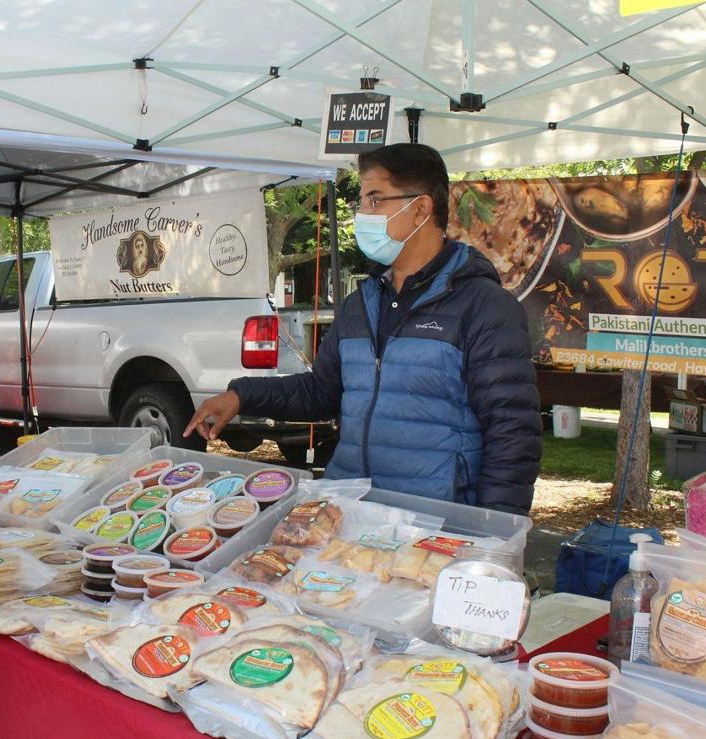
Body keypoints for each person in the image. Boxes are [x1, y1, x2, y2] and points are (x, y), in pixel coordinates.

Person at [186, 143, 542, 516]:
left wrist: (493, 535)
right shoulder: (362, 303)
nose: (362, 214)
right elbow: (321, 391)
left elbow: (512, 433)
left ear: (421, 208)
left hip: (435, 522)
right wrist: (241, 396)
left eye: (375, 200)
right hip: (350, 513)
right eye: (361, 202)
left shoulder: (485, 307)